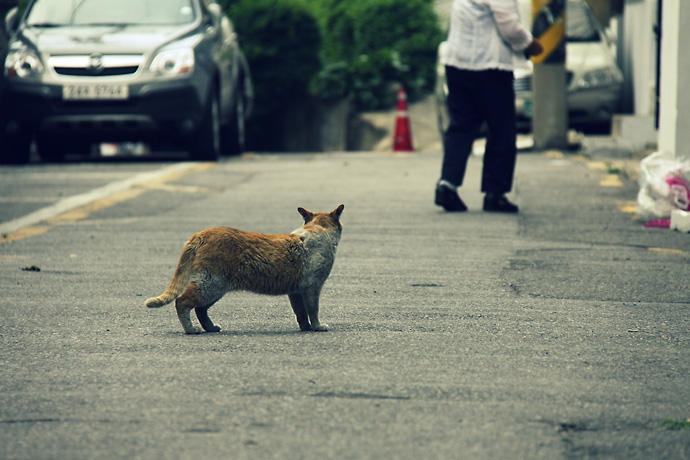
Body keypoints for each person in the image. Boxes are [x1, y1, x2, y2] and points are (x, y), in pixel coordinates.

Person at [435, 0, 543, 213]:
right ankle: (495, 194)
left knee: (461, 125)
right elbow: (510, 27)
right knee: (501, 129)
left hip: (457, 64)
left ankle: (447, 184)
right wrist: (529, 43)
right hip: (490, 67)